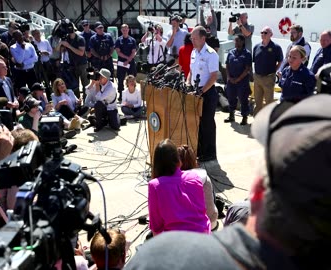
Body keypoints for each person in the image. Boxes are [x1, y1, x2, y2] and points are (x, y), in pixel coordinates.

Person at [125, 94, 331, 270]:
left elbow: (156, 226)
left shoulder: (154, 259)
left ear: (258, 189)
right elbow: (207, 214)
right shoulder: (198, 176)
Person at [148, 139, 210, 236]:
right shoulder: (194, 177)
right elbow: (201, 212)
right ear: (178, 159)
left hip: (177, 241)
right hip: (203, 235)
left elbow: (156, 227)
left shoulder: (154, 186)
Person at [186, 26, 219, 163]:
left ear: (202, 38)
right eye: (191, 38)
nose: (192, 41)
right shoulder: (194, 52)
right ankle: (199, 150)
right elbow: (191, 72)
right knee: (196, 123)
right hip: (194, 91)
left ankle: (209, 153)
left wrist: (202, 91)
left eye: (194, 38)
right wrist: (188, 84)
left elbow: (213, 76)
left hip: (207, 92)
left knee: (207, 123)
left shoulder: (211, 54)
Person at [177, 144, 218, 231]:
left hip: (193, 227)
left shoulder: (177, 181)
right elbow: (212, 199)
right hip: (211, 222)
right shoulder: (204, 175)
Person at [252, 26, 283, 115]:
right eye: (262, 32)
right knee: (258, 101)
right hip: (257, 78)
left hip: (269, 78)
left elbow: (280, 61)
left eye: (265, 33)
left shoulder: (276, 47)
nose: (263, 34)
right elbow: (254, 61)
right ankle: (257, 120)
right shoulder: (256, 47)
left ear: (271, 34)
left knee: (269, 102)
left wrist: (274, 71)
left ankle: (268, 121)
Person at [56, 22, 89, 99]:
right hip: (72, 65)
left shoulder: (80, 39)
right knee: (74, 85)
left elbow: (81, 53)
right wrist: (61, 42)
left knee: (85, 84)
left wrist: (69, 46)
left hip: (82, 64)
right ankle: (77, 101)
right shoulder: (67, 39)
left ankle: (86, 101)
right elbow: (57, 50)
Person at [225, 34, 252, 125]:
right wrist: (229, 77)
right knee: (231, 97)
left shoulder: (247, 53)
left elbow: (247, 68)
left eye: (237, 41)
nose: (236, 43)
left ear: (242, 41)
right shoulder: (231, 52)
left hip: (242, 81)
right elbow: (227, 65)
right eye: (235, 41)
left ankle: (244, 117)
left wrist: (238, 79)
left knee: (243, 99)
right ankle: (231, 115)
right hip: (231, 80)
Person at [115, 24, 137, 102]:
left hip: (130, 62)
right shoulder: (118, 40)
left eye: (126, 29)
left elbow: (134, 52)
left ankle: (132, 93)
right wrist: (127, 58)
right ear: (121, 30)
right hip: (122, 63)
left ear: (128, 30)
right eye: (123, 30)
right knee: (120, 79)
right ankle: (121, 94)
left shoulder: (132, 40)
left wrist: (128, 60)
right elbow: (118, 52)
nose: (125, 31)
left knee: (132, 78)